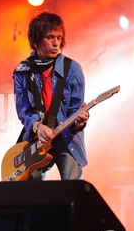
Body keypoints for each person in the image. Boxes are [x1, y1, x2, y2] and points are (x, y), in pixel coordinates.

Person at [13, 11, 89, 181]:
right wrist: (37, 126)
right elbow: (23, 109)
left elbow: (75, 110)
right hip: (36, 139)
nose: (57, 43)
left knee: (71, 187)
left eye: (59, 37)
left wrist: (79, 122)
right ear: (36, 40)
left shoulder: (73, 69)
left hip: (65, 138)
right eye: (50, 37)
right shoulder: (22, 71)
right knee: (30, 188)